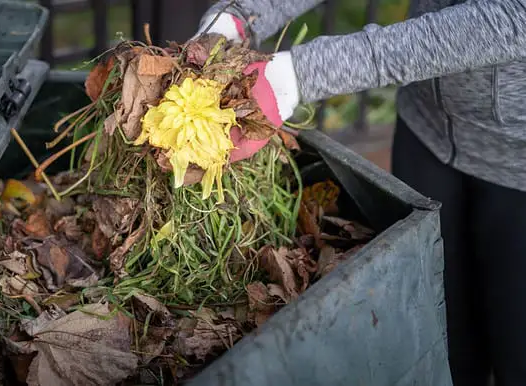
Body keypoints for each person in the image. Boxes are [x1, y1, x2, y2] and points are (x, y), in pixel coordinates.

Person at [194, 1, 526, 385]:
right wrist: (243, 16)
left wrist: (298, 75)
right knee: (439, 333)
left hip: (518, 167)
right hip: (426, 134)